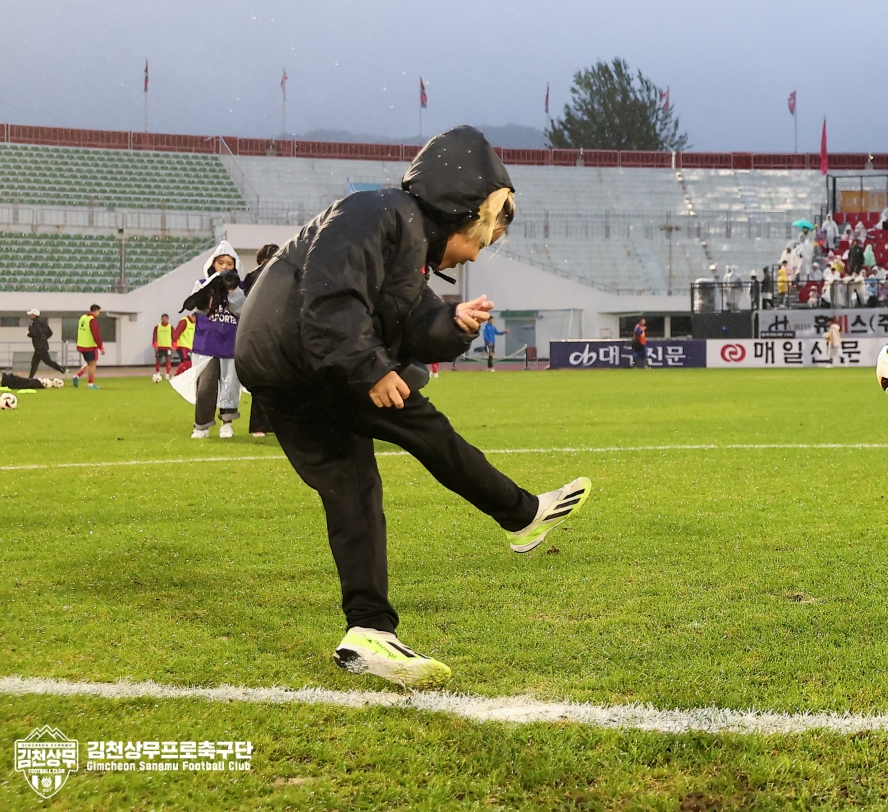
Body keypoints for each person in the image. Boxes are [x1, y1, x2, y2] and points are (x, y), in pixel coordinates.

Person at [236, 126, 590, 691]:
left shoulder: (402, 238)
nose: (475, 253)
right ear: (463, 211)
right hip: (308, 360)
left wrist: (452, 323)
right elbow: (331, 294)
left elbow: (411, 323)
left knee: (353, 490)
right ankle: (520, 514)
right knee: (425, 427)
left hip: (285, 367)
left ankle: (368, 630)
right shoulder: (377, 212)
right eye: (481, 239)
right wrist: (369, 368)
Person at [183, 242, 246, 438]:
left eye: (229, 263)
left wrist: (232, 291)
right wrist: (212, 289)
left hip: (230, 344)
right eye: (221, 262)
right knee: (205, 387)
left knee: (230, 387)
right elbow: (197, 308)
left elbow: (242, 310)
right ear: (213, 264)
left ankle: (227, 424)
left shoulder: (241, 287)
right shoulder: (201, 284)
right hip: (206, 344)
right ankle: (201, 426)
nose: (225, 266)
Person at [242, 244, 279, 437]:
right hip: (270, 334)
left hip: (260, 334)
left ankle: (261, 425)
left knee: (265, 381)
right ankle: (265, 424)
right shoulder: (280, 275)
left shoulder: (252, 277)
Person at [72, 304, 104, 389]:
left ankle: (77, 376)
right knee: (93, 364)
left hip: (81, 345)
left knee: (89, 364)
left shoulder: (83, 318)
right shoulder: (92, 320)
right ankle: (90, 384)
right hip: (90, 345)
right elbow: (96, 334)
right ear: (96, 311)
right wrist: (100, 346)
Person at [25, 310, 64, 378]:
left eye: (31, 314)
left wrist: (28, 334)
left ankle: (63, 370)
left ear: (34, 315)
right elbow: (50, 332)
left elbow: (35, 333)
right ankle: (30, 378)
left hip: (39, 346)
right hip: (41, 346)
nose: (30, 316)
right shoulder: (42, 322)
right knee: (35, 362)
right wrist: (44, 339)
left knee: (47, 361)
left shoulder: (34, 323)